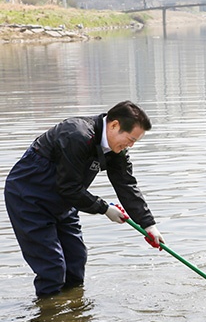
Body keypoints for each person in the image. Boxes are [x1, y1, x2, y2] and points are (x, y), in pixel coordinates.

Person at [4, 101, 165, 298]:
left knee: (76, 261)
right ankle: (49, 318)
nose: (130, 146)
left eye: (134, 142)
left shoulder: (116, 150)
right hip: (29, 199)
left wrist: (149, 225)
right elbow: (68, 187)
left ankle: (73, 315)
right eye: (130, 139)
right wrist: (104, 208)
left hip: (65, 200)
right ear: (114, 125)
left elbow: (126, 185)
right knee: (52, 268)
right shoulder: (76, 135)